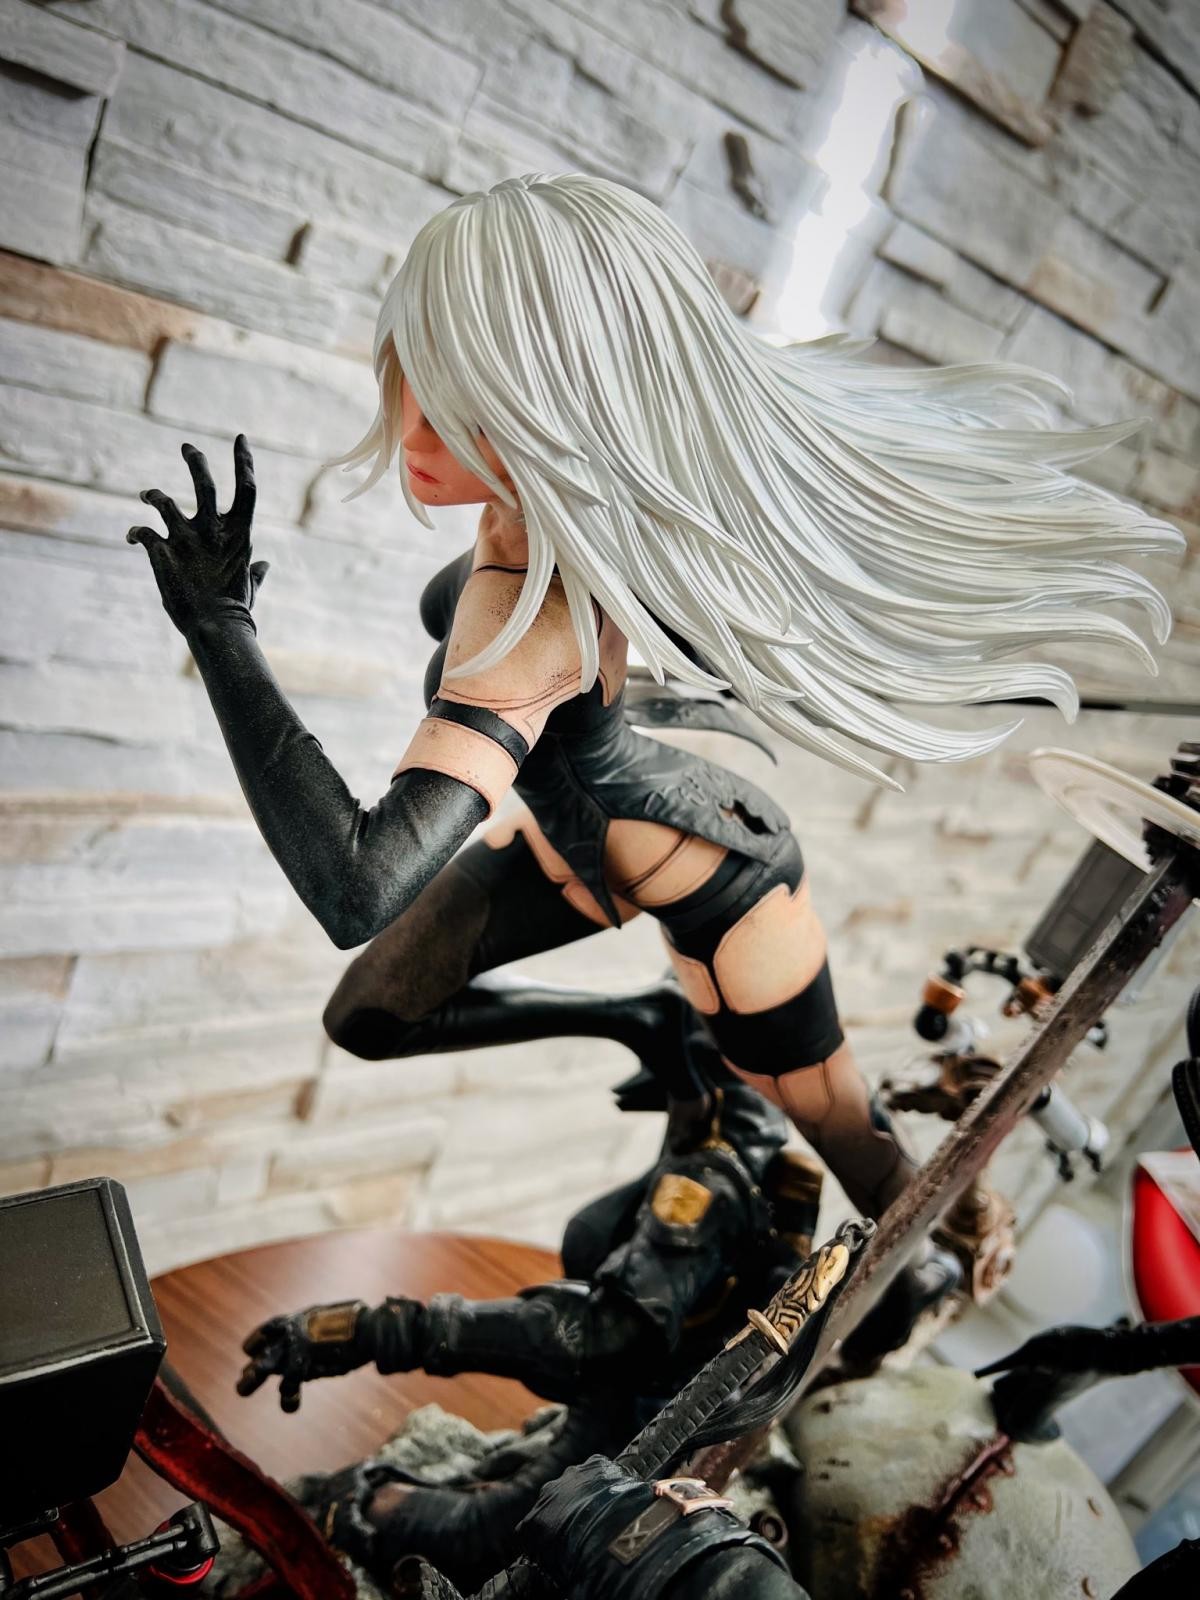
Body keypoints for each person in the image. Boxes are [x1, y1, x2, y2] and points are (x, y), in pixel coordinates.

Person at [127, 172, 1178, 1226]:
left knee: (862, 1157)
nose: (410, 434)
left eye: (455, 405)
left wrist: (221, 632)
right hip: (574, 834)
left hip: (719, 879)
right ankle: (649, 1019)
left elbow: (357, 885)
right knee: (372, 1013)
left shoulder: (537, 616)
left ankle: (941, 1269)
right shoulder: (543, 514)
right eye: (415, 380)